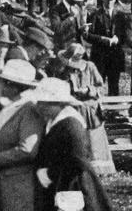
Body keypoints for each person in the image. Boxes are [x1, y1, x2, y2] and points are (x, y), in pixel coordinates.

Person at [32, 78, 114, 211]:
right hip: (60, 184)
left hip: (73, 185)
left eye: (45, 104)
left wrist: (50, 174)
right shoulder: (55, 121)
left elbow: (79, 160)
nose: (40, 108)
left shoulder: (71, 125)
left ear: (60, 103)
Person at [0, 59, 43, 211]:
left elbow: (27, 150)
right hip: (4, 179)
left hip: (18, 182)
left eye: (3, 82)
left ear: (13, 86)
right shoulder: (12, 106)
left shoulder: (28, 109)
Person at [57, 43, 115, 175]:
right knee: (78, 137)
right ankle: (80, 167)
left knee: (94, 139)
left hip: (91, 110)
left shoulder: (90, 67)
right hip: (75, 108)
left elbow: (101, 87)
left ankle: (100, 169)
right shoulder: (65, 71)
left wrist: (89, 90)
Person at [84, 0, 123, 95]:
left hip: (115, 55)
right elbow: (88, 36)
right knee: (96, 83)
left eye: (111, 0)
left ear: (115, 0)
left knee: (114, 84)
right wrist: (101, 39)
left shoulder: (121, 15)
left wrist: (117, 38)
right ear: (102, 0)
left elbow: (125, 33)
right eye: (106, 0)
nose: (109, 2)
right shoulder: (95, 15)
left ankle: (114, 108)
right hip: (99, 55)